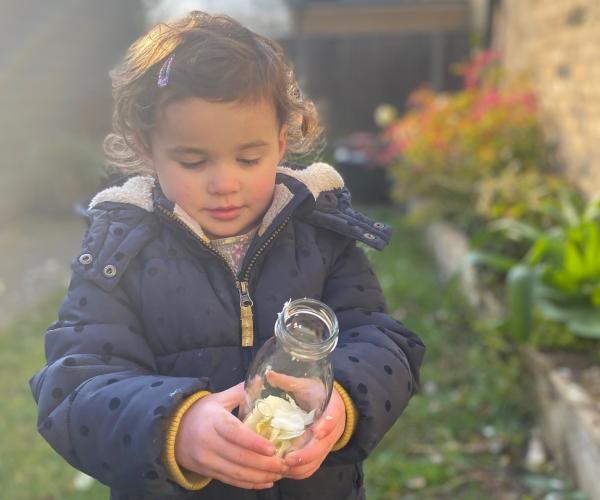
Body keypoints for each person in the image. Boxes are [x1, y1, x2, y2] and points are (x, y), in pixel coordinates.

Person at [29, 11, 425, 500]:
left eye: (248, 158)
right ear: (147, 149)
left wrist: (342, 400)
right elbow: (72, 390)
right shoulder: (120, 254)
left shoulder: (320, 236)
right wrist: (176, 425)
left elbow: (385, 342)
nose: (224, 184)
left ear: (282, 142)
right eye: (193, 161)